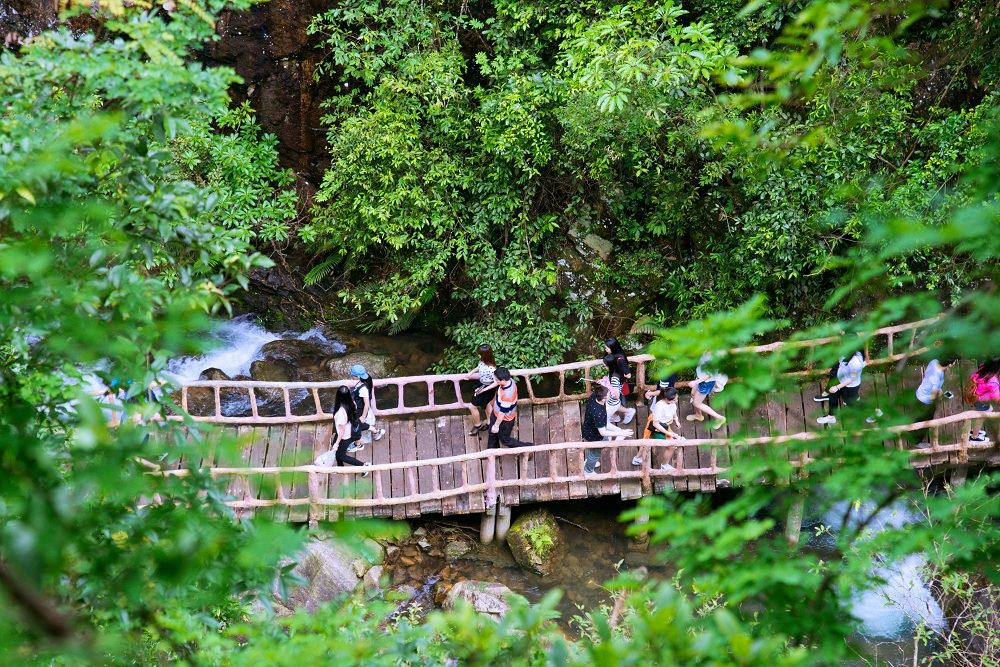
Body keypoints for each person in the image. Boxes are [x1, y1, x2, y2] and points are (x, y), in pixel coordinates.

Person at [315, 386, 370, 474]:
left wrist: (336, 443)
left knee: (341, 456)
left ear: (338, 396)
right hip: (351, 431)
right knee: (337, 452)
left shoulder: (340, 412)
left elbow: (342, 430)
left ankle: (363, 466)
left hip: (345, 436)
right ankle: (340, 468)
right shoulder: (352, 402)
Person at [907, 356, 958, 447]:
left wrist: (939, 389)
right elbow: (933, 397)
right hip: (926, 401)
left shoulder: (934, 361)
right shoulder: (936, 377)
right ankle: (916, 441)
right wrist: (942, 395)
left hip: (920, 392)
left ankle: (911, 430)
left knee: (919, 417)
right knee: (926, 420)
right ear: (950, 365)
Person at [582, 385, 632, 474]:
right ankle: (588, 471)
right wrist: (622, 433)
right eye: (609, 394)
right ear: (604, 399)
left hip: (588, 427)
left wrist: (604, 383)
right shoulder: (598, 413)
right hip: (594, 435)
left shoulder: (594, 396)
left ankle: (589, 462)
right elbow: (602, 432)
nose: (611, 394)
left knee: (597, 448)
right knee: (595, 453)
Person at [632, 384, 682, 469]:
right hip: (655, 427)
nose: (676, 401)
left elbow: (674, 410)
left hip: (665, 425)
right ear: (667, 400)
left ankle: (637, 458)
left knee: (646, 441)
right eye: (675, 399)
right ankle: (664, 465)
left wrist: (676, 419)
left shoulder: (672, 403)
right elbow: (656, 424)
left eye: (677, 398)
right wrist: (669, 433)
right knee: (671, 446)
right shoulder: (660, 406)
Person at [487, 368, 532, 449]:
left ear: (503, 380)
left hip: (505, 420)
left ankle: (527, 447)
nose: (495, 381)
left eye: (497, 380)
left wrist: (496, 425)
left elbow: (502, 412)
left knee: (505, 440)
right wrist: (483, 390)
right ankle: (492, 452)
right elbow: (497, 383)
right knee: (491, 433)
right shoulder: (509, 380)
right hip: (495, 413)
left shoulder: (508, 394)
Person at [816, 351, 865, 426]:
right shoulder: (845, 353)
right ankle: (831, 417)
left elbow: (851, 379)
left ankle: (872, 412)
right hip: (840, 379)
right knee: (832, 396)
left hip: (850, 386)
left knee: (850, 403)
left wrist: (837, 387)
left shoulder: (855, 363)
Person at [346, 364, 386, 453]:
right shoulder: (367, 379)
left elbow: (366, 403)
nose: (351, 377)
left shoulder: (363, 388)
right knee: (358, 424)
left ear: (357, 377)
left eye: (353, 376)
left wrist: (363, 416)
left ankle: (358, 445)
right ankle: (376, 431)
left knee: (355, 428)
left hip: (360, 411)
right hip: (358, 409)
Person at [687, 352, 727, 431]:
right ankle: (698, 415)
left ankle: (720, 418)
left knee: (697, 403)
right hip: (701, 378)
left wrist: (696, 382)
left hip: (706, 382)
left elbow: (710, 374)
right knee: (693, 394)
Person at [466, 343, 499, 435]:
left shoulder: (492, 369)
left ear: (485, 355)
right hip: (481, 385)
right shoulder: (482, 361)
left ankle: (477, 425)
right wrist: (470, 373)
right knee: (487, 404)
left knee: (472, 407)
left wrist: (484, 390)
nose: (478, 354)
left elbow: (496, 382)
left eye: (479, 353)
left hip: (487, 388)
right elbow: (479, 367)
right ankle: (490, 423)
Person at [967, 359, 1000, 444]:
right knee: (981, 417)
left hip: (974, 396)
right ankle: (974, 437)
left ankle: (973, 431)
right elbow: (996, 396)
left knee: (987, 410)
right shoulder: (993, 381)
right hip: (981, 401)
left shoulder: (982, 368)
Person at [602, 354, 636, 425]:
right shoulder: (617, 370)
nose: (604, 367)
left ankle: (612, 430)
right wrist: (604, 381)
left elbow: (616, 396)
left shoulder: (614, 378)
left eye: (605, 365)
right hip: (614, 402)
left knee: (604, 419)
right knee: (616, 405)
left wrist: (604, 385)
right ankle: (623, 413)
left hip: (611, 401)